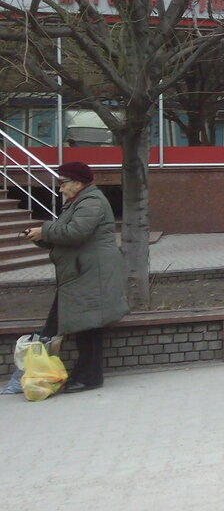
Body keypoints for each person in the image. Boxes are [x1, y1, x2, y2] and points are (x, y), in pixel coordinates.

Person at [24, 162, 128, 393]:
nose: (60, 188)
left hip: (90, 274)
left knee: (89, 326)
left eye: (63, 183)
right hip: (82, 273)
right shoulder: (79, 201)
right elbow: (67, 234)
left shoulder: (91, 202)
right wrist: (41, 237)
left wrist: (45, 230)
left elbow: (76, 232)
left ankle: (89, 377)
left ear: (78, 182)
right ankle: (75, 374)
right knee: (83, 325)